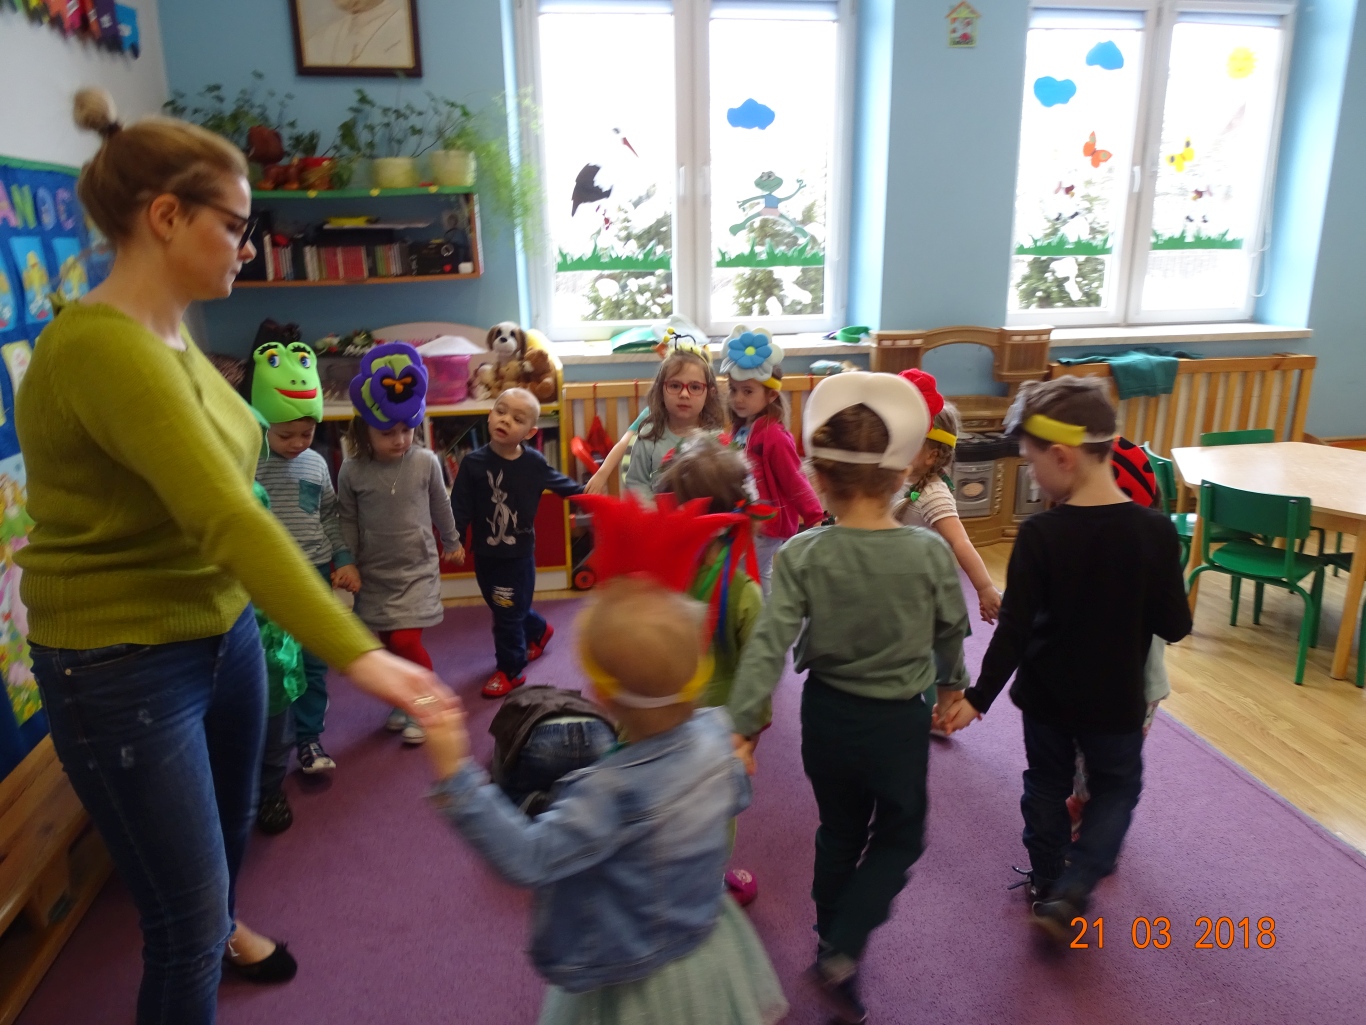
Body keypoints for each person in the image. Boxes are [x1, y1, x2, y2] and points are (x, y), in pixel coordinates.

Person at [17, 89, 450, 1025]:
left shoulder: (173, 333)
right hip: (123, 663)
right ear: (166, 217)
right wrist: (361, 653)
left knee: (229, 828)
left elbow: (235, 490)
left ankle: (223, 920)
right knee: (177, 925)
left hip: (221, 630)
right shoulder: (101, 349)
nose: (247, 248)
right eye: (235, 226)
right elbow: (226, 515)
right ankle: (206, 929)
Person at [423, 492, 787, 1025]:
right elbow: (737, 789)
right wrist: (734, 761)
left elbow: (529, 858)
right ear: (698, 671)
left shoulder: (605, 791)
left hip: (631, 976)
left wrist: (457, 778)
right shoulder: (716, 733)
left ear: (601, 694)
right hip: (706, 948)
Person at [728, 372, 970, 1024]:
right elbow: (950, 629)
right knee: (899, 835)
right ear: (901, 474)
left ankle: (830, 940)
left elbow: (769, 642)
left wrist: (743, 723)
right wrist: (952, 686)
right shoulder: (927, 552)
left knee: (838, 830)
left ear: (820, 479)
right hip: (897, 724)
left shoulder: (801, 554)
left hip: (828, 716)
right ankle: (846, 943)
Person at [938, 376, 1192, 940]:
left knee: (1045, 788)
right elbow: (1176, 625)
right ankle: (1075, 888)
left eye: (1031, 463)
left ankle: (1046, 882)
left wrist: (977, 699)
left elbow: (1013, 630)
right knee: (1115, 790)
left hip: (1047, 701)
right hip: (1116, 704)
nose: (1032, 476)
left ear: (1062, 456)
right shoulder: (1154, 532)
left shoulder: (1041, 534)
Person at [657, 434, 769, 904]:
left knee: (663, 806)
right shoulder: (744, 593)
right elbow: (759, 671)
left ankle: (665, 884)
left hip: (655, 722)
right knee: (714, 812)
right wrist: (750, 734)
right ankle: (706, 888)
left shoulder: (654, 578)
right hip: (718, 732)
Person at [338, 341, 460, 746]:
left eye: (407, 430)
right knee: (388, 644)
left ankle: (426, 703)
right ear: (364, 431)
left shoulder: (425, 462)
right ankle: (404, 699)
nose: (400, 440)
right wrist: (347, 561)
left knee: (407, 640)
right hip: (374, 571)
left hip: (416, 568)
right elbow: (347, 518)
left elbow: (441, 504)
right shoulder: (352, 471)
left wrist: (452, 540)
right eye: (387, 433)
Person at [250, 337, 358, 774]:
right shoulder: (250, 463)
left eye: (306, 434)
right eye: (285, 435)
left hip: (313, 569)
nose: (297, 442)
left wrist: (343, 557)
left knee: (313, 660)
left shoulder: (315, 464)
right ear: (263, 425)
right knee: (275, 663)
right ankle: (270, 743)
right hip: (268, 576)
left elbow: (328, 515)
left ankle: (310, 740)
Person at [448, 388, 585, 698]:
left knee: (506, 613)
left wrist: (591, 498)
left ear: (530, 432)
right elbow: (460, 505)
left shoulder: (533, 463)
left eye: (518, 418)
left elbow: (565, 486)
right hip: (485, 553)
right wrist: (453, 539)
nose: (506, 420)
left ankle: (511, 670)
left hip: (517, 555)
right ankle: (539, 630)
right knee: (502, 603)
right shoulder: (473, 463)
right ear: (489, 415)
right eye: (501, 411)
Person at [719, 328, 824, 594]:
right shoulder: (742, 429)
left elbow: (794, 478)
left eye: (747, 391)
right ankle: (765, 613)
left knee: (748, 573)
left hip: (767, 524)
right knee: (757, 573)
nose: (738, 398)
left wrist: (814, 516)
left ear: (771, 395)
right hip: (748, 519)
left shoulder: (773, 436)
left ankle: (761, 616)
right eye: (733, 390)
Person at [894, 369, 1002, 623]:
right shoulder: (893, 478)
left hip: (921, 587)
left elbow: (960, 542)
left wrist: (985, 588)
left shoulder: (933, 494)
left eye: (907, 441)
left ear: (931, 456)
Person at [250, 483, 308, 836]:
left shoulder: (254, 494)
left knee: (277, 734)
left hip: (272, 647)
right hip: (225, 643)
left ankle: (271, 792)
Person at [622, 344, 725, 495]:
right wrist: (653, 506)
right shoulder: (648, 437)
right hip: (658, 509)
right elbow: (636, 483)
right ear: (661, 390)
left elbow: (722, 486)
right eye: (675, 386)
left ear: (709, 394)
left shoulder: (716, 439)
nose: (684, 394)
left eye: (695, 387)